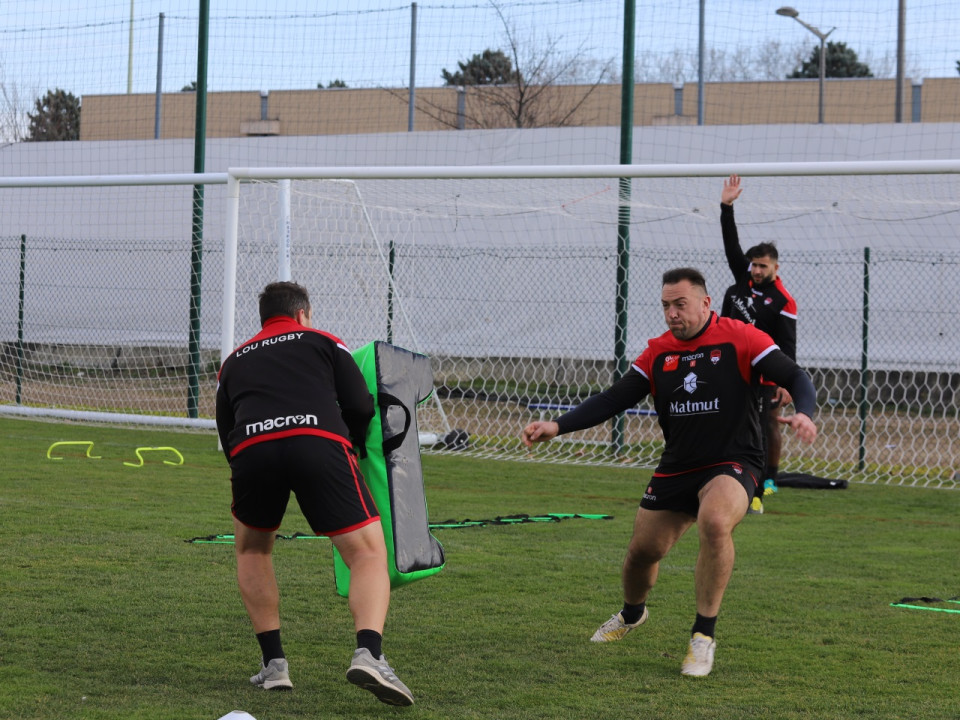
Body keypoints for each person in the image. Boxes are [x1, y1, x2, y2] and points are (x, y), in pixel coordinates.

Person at [521, 267, 817, 677]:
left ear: (705, 303)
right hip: (679, 465)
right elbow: (613, 398)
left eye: (681, 304)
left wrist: (805, 412)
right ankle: (631, 614)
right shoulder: (658, 352)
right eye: (665, 306)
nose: (672, 313)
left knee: (715, 523)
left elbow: (795, 375)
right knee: (642, 554)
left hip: (735, 460)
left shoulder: (741, 337)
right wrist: (557, 425)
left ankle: (702, 637)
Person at [215, 281, 414, 706]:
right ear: (304, 313)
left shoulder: (234, 360)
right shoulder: (325, 341)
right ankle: (370, 654)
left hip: (252, 450)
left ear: (263, 318)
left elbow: (225, 427)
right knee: (366, 554)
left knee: (253, 551)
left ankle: (274, 667)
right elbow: (359, 404)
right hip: (317, 441)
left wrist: (251, 462)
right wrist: (357, 446)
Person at [719, 174, 799, 514]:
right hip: (726, 363)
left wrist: (786, 382)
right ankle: (722, 472)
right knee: (723, 417)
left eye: (762, 266)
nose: (755, 270)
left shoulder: (783, 300)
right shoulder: (741, 278)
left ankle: (767, 480)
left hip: (763, 373)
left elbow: (787, 344)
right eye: (753, 264)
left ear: (775, 268)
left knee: (765, 425)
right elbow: (730, 243)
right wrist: (726, 207)